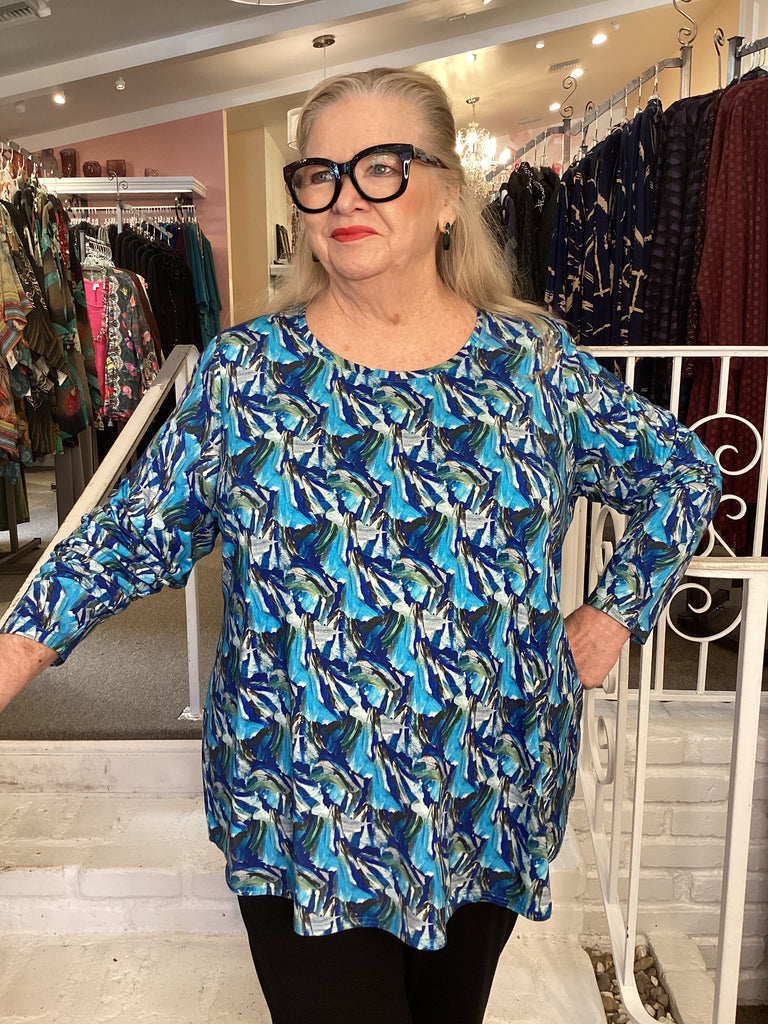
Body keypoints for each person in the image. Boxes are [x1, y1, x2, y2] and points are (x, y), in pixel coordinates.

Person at [0, 68, 720, 1023]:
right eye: (320, 174)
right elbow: (130, 534)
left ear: (448, 195)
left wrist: (613, 614)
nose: (345, 197)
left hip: (486, 787)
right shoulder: (248, 375)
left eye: (381, 167)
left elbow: (682, 474)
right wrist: (14, 652)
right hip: (301, 803)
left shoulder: (533, 368)